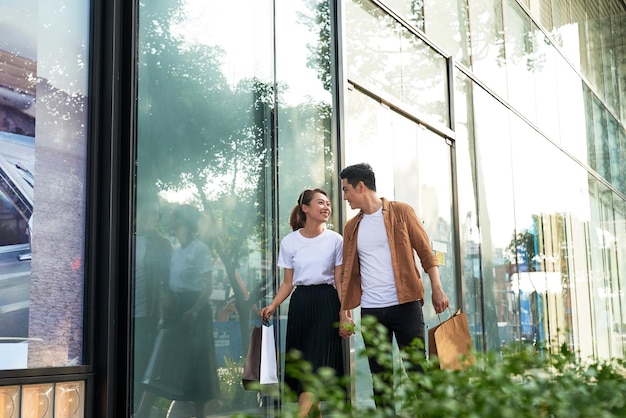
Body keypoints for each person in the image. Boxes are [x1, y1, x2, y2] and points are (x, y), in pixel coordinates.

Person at [337, 163, 449, 411]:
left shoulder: (401, 212)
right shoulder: (351, 227)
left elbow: (426, 253)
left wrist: (437, 289)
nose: (344, 196)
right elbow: (347, 273)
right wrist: (344, 311)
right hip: (372, 310)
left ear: (361, 186)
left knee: (417, 371)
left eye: (346, 190)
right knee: (381, 379)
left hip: (406, 305)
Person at [260, 188, 348, 418]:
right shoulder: (290, 242)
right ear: (305, 209)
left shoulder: (336, 240)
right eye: (321, 203)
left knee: (316, 363)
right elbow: (288, 282)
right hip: (300, 305)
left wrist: (344, 313)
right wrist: (273, 305)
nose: (327, 207)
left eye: (328, 203)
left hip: (326, 303)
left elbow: (340, 280)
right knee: (305, 368)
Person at [137, 204, 220, 418]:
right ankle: (141, 412)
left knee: (195, 368)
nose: (169, 221)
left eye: (174, 218)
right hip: (175, 310)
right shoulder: (175, 250)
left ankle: (197, 415)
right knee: (160, 363)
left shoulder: (199, 249)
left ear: (182, 222)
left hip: (193, 312)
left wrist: (194, 310)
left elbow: (207, 287)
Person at [133, 198, 172, 415]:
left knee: (142, 367)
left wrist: (164, 315)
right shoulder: (123, 235)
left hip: (146, 315)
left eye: (156, 213)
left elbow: (168, 282)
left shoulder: (161, 243)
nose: (152, 217)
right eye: (148, 211)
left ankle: (138, 410)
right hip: (119, 314)